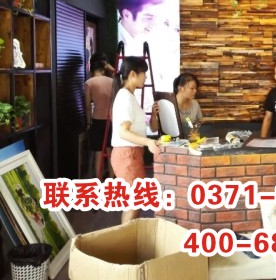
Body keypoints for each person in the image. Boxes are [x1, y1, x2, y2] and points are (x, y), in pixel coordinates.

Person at [111, 56, 161, 223]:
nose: (145, 77)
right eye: (143, 74)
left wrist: (154, 115)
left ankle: (126, 236)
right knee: (134, 202)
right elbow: (123, 132)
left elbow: (151, 128)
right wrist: (148, 142)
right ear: (133, 74)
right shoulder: (125, 97)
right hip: (127, 154)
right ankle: (125, 237)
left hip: (131, 154)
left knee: (133, 202)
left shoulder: (129, 96)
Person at [116, 0, 179, 92]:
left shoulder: (147, 38)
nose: (154, 23)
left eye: (156, 18)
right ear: (126, 15)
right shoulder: (118, 46)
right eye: (149, 18)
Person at [84, 52, 114, 178]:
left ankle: (98, 181)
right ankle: (112, 180)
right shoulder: (112, 81)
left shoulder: (89, 83)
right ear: (104, 66)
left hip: (97, 121)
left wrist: (88, 123)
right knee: (110, 153)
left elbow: (87, 106)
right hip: (111, 120)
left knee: (98, 154)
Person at [152, 73, 203, 140]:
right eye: (192, 88)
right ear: (180, 88)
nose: (195, 91)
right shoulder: (168, 104)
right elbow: (154, 129)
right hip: (171, 143)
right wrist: (153, 115)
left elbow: (200, 121)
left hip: (190, 142)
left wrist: (195, 129)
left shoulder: (195, 103)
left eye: (196, 88)